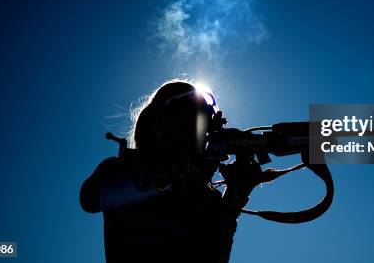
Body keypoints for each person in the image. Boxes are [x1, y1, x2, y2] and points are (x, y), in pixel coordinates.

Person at [80, 80, 262, 263]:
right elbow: (91, 198)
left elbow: (213, 257)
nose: (198, 131)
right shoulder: (119, 169)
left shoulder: (204, 196)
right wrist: (179, 178)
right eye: (190, 119)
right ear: (159, 121)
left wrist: (233, 199)